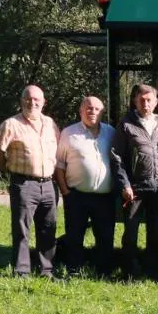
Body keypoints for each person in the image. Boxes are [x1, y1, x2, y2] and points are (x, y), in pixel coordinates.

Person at [0, 84, 60, 277]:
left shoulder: (50, 124)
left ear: (43, 102)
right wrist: (8, 168)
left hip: (48, 184)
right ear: (22, 101)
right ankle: (22, 271)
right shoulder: (11, 124)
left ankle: (46, 269)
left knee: (48, 228)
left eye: (37, 99)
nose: (32, 103)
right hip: (23, 184)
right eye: (28, 99)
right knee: (22, 229)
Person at [112, 83, 158, 279]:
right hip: (134, 188)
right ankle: (129, 271)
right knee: (131, 232)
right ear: (135, 101)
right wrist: (124, 184)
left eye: (149, 100)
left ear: (156, 102)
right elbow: (116, 157)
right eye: (141, 99)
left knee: (156, 232)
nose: (145, 103)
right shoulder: (126, 124)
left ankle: (154, 270)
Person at [55, 95, 115, 276]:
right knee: (74, 236)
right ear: (81, 110)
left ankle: (103, 272)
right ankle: (74, 270)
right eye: (89, 108)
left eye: (97, 109)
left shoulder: (111, 132)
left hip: (105, 196)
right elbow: (59, 166)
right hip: (77, 195)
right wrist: (65, 192)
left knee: (105, 236)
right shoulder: (69, 133)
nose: (93, 112)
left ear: (102, 112)